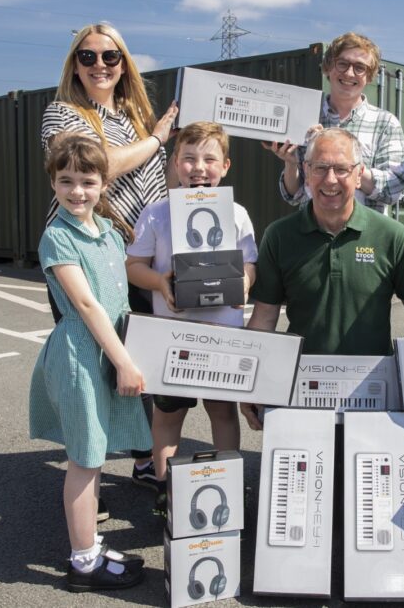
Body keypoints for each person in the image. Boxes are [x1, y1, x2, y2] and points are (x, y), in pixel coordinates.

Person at [41, 22, 178, 496]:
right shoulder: (62, 113)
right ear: (73, 64)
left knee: (138, 356)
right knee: (94, 363)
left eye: (110, 56)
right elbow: (99, 166)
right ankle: (87, 471)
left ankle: (142, 458)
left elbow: (158, 187)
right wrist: (158, 140)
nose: (100, 65)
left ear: (124, 63)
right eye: (88, 56)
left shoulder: (135, 117)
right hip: (89, 252)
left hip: (137, 255)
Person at [241, 127, 404, 430]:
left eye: (342, 169)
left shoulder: (391, 236)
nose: (330, 180)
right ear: (306, 172)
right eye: (320, 168)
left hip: (375, 394)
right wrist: (251, 385)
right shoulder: (280, 236)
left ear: (359, 175)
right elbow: (264, 318)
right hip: (303, 392)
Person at [28, 134, 152, 592]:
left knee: (95, 457)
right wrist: (124, 362)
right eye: (66, 181)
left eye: (87, 181)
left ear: (103, 183)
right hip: (83, 355)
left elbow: (123, 294)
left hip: (108, 347)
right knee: (84, 459)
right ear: (53, 183)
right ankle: (83, 563)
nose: (77, 191)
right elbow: (86, 303)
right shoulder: (57, 236)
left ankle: (92, 546)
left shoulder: (108, 229)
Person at [124, 121, 258, 516]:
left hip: (221, 334)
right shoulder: (157, 213)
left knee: (222, 410)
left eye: (209, 159)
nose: (199, 167)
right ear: (175, 163)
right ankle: (166, 487)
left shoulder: (236, 214)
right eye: (189, 159)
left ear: (226, 165)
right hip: (173, 337)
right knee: (168, 415)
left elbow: (249, 262)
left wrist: (245, 285)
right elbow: (133, 265)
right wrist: (161, 284)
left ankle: (227, 484)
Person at [265, 32, 404, 214]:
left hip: (364, 238)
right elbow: (294, 195)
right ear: (328, 68)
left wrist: (345, 164)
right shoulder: (306, 116)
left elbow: (394, 188)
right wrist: (291, 163)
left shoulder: (385, 123)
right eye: (342, 63)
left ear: (369, 76)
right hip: (312, 235)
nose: (349, 73)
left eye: (360, 67)